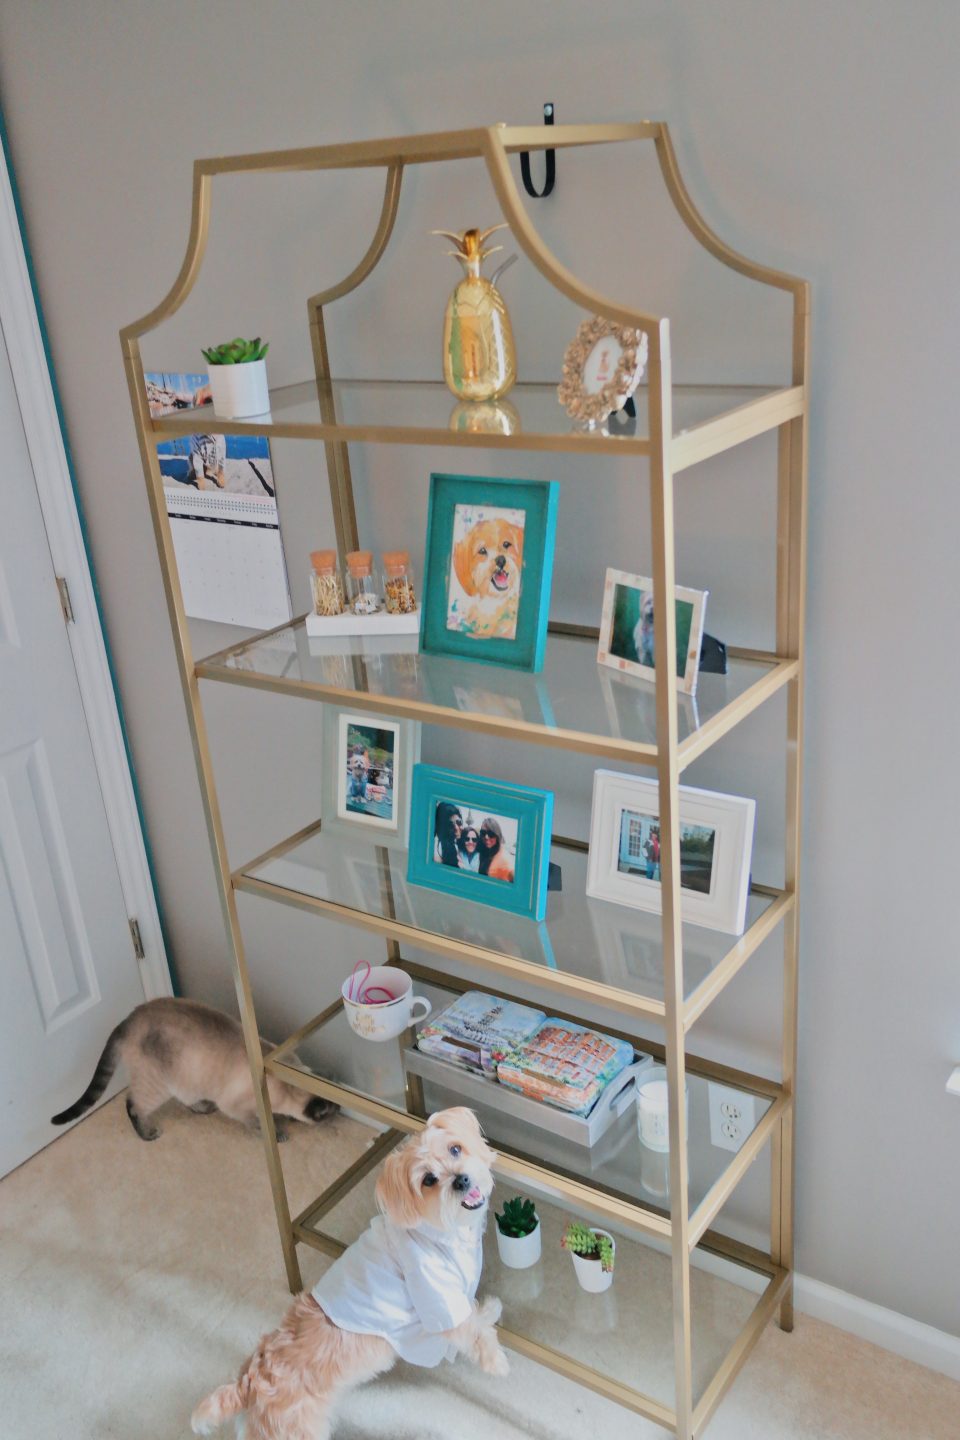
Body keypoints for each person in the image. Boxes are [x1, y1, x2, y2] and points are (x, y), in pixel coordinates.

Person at [477, 817, 514, 883]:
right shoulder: (485, 851)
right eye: (483, 833)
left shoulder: (505, 860)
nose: (486, 837)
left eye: (491, 834)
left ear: (497, 835)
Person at [434, 802, 463, 867]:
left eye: (459, 822)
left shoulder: (456, 844)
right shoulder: (438, 851)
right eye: (450, 824)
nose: (456, 828)